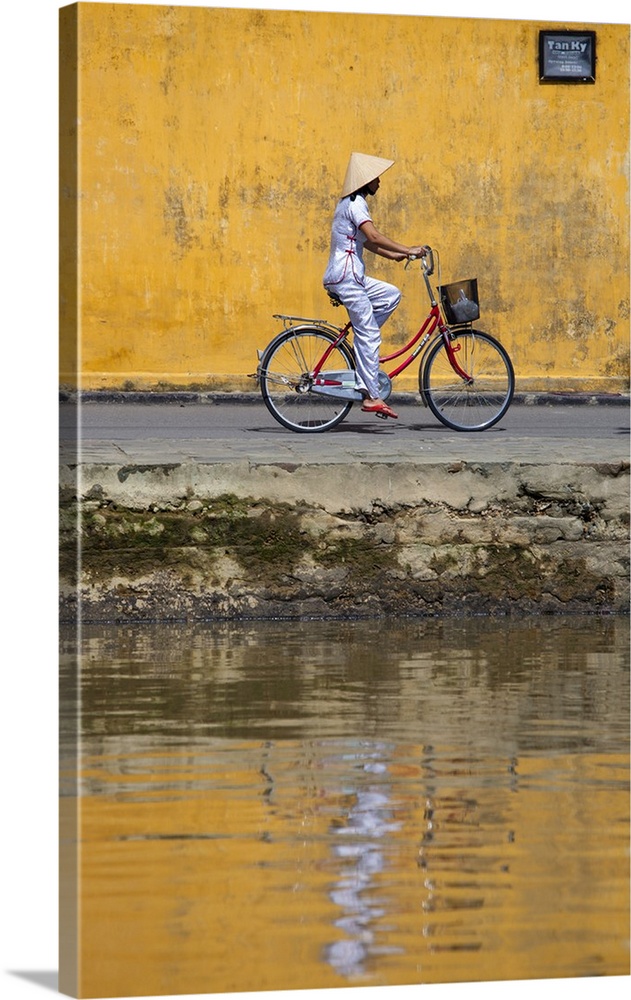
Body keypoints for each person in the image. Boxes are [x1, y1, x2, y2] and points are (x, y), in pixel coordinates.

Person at [323, 152, 428, 420]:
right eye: (376, 178)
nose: (379, 182)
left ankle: (363, 344)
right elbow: (373, 235)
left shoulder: (348, 203)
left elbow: (366, 243)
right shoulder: (356, 203)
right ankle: (371, 397)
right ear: (365, 181)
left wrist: (396, 256)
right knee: (369, 333)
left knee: (390, 295)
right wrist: (409, 248)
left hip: (351, 275)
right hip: (346, 277)